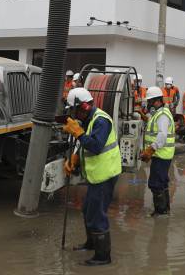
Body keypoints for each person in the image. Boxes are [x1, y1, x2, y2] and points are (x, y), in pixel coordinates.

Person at [62, 88, 121, 266]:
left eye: (74, 110)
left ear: (84, 107)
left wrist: (78, 133)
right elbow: (86, 143)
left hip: (105, 175)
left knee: (97, 215)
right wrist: (75, 159)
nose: (73, 114)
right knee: (88, 209)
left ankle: (103, 256)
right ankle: (91, 244)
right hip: (97, 175)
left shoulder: (101, 121)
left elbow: (95, 146)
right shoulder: (89, 119)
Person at [141, 86, 176, 217]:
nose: (149, 104)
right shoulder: (159, 114)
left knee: (155, 184)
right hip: (161, 154)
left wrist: (151, 149)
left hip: (161, 154)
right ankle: (165, 209)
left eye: (150, 101)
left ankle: (160, 212)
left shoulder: (162, 115)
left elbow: (162, 135)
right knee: (162, 181)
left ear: (157, 101)